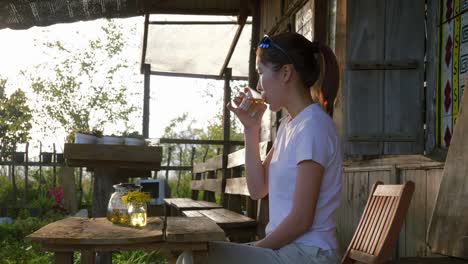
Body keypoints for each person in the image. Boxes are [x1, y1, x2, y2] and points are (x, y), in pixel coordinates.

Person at [177, 32, 342, 264]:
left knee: (196, 258)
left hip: (309, 254)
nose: (257, 85)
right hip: (286, 249)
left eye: (261, 72)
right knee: (193, 256)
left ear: (285, 73)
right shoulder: (289, 125)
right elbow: (258, 189)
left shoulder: (313, 126)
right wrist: (251, 129)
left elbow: (302, 220)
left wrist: (257, 248)